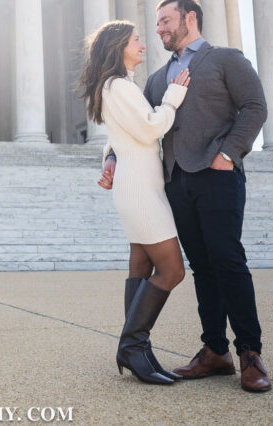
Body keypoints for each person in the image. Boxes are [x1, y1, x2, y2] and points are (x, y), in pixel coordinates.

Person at [142, 0, 271, 392]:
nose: (160, 27)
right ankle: (215, 350)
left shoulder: (226, 58)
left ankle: (250, 352)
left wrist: (228, 154)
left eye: (166, 20)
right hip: (177, 180)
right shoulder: (157, 78)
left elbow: (255, 107)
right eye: (158, 22)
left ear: (190, 18)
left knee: (227, 260)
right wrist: (112, 157)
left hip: (218, 175)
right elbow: (140, 122)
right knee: (202, 266)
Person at [78, 20, 190, 385]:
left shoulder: (116, 86)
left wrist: (109, 158)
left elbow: (122, 135)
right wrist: (173, 97)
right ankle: (132, 345)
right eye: (136, 40)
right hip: (140, 190)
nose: (143, 44)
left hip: (140, 184)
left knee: (141, 268)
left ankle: (139, 350)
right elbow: (149, 129)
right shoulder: (118, 86)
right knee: (172, 270)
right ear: (118, 46)